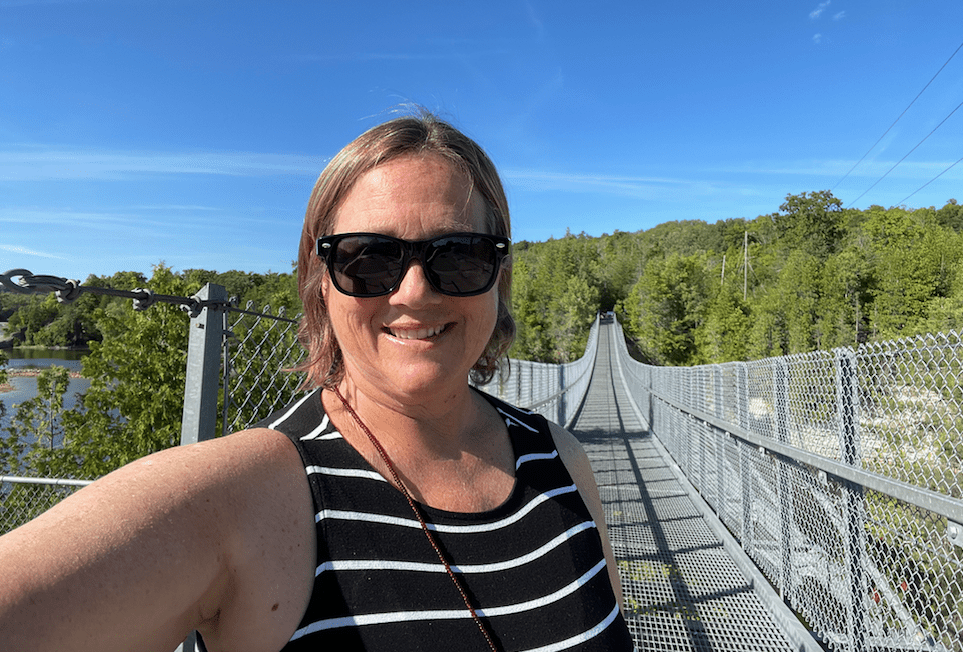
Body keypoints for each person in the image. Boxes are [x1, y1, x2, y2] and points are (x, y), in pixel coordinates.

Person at [0, 113, 633, 651]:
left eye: (460, 255)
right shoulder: (250, 496)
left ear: (500, 276)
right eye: (367, 258)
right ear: (318, 281)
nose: (413, 292)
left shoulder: (563, 461)